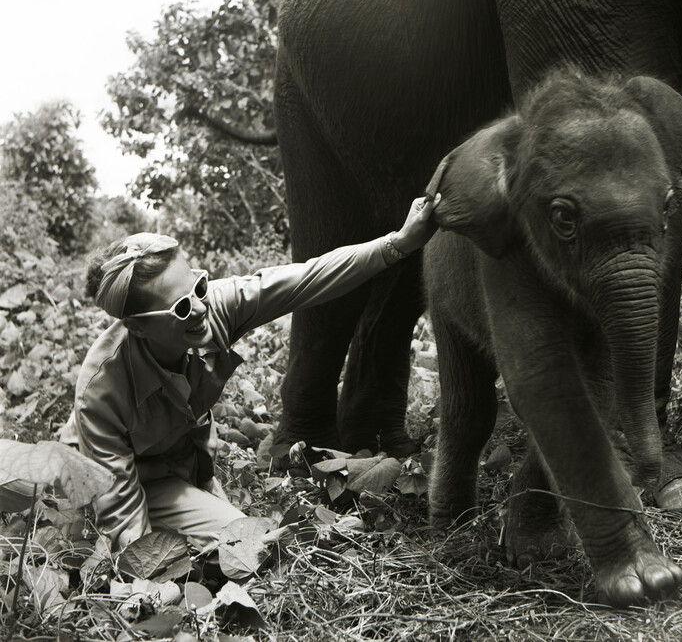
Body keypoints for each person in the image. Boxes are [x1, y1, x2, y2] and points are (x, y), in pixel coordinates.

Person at [60, 195, 440, 552]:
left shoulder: (210, 307)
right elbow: (121, 509)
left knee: (244, 537)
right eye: (179, 307)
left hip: (176, 464)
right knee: (246, 543)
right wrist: (144, 583)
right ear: (138, 327)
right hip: (109, 477)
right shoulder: (101, 391)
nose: (198, 308)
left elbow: (306, 278)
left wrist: (399, 243)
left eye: (199, 286)